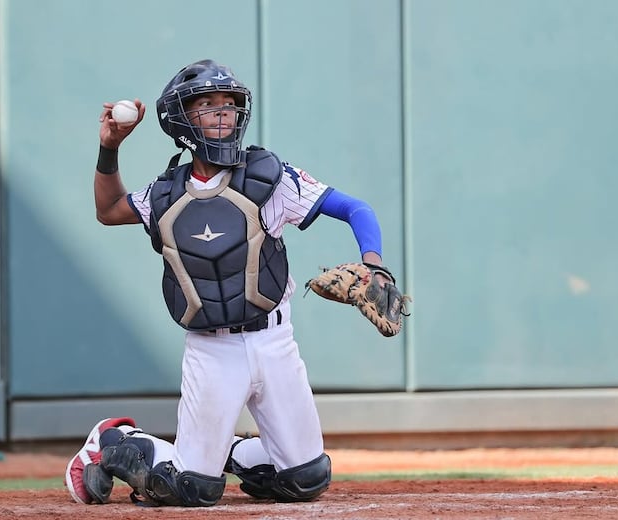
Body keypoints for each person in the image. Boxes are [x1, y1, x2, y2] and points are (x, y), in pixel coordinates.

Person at [64, 59, 393, 507]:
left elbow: (356, 209)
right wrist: (110, 149)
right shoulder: (165, 194)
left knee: (306, 479)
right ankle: (116, 440)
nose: (223, 113)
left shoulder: (268, 177)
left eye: (230, 105)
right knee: (192, 489)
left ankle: (230, 450)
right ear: (181, 118)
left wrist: (372, 265)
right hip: (211, 350)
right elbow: (109, 210)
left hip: (275, 341)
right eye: (207, 104)